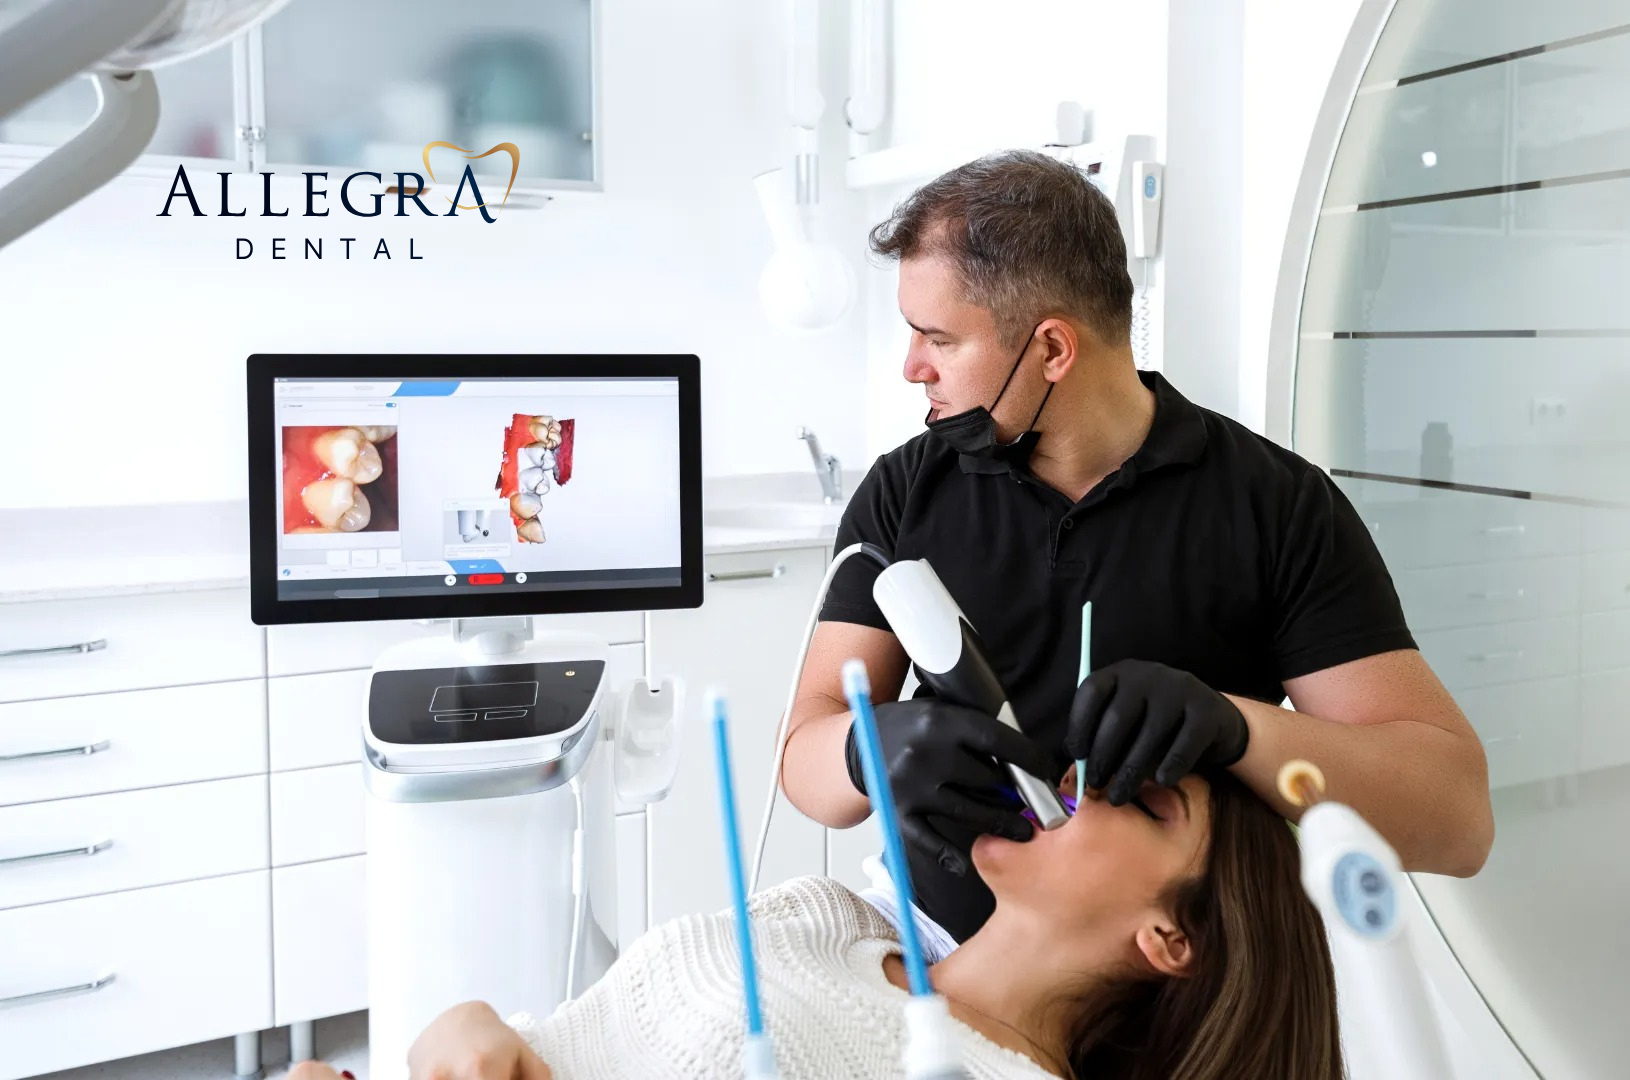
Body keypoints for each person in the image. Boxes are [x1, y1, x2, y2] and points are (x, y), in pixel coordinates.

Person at [780, 149, 1495, 949]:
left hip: (1173, 969)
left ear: (1053, 350)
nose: (912, 367)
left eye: (936, 339)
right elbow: (806, 758)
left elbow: (1457, 820)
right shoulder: (906, 490)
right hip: (941, 944)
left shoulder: (1277, 507)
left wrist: (1235, 728)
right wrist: (867, 747)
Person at [288, 769, 1340, 1079]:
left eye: (1148, 809)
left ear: (1172, 940)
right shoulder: (829, 914)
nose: (1086, 786)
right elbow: (543, 1031)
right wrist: (463, 1028)